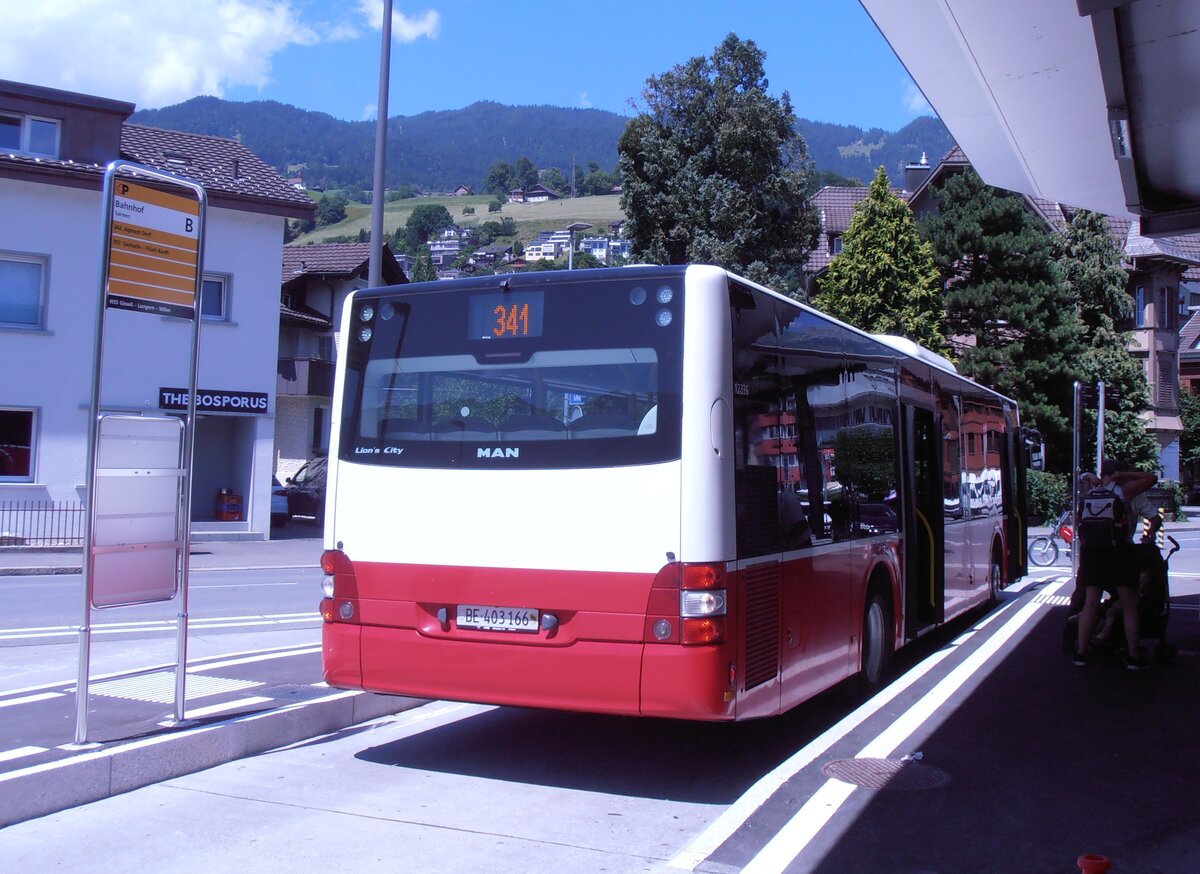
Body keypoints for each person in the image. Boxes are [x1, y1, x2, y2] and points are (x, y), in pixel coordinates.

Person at [1073, 459, 1157, 669]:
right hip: (1120, 552)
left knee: (1090, 603)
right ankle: (1133, 655)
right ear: (1118, 474)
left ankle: (1081, 653)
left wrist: (1091, 477)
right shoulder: (1123, 491)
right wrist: (1124, 476)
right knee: (1129, 605)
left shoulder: (1092, 490)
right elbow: (1152, 478)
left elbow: (1083, 476)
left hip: (1092, 552)